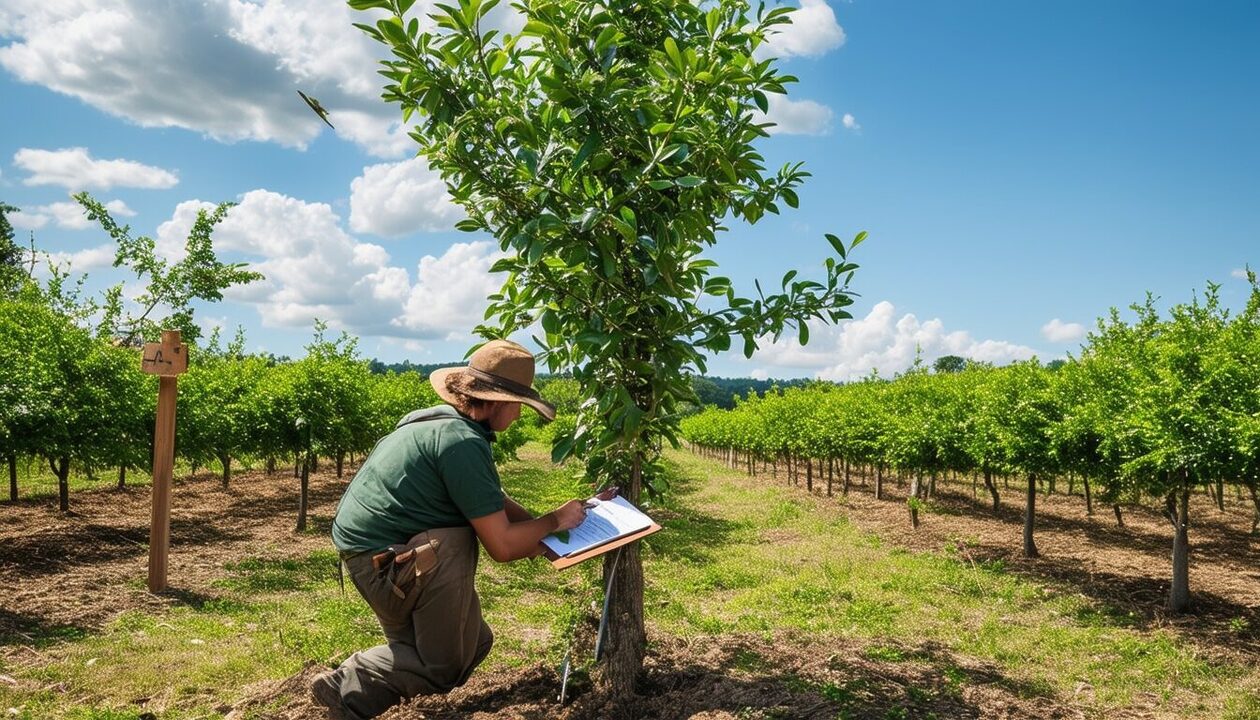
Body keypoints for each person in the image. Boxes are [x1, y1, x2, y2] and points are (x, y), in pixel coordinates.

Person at [311, 339, 587, 719]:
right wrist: (555, 520)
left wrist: (554, 532)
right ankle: (346, 686)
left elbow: (493, 501)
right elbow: (502, 546)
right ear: (498, 401)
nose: (521, 416)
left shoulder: (437, 422)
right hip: (388, 566)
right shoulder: (461, 441)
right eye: (520, 406)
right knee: (443, 665)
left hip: (377, 559)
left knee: (475, 642)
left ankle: (359, 698)